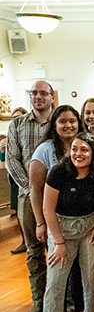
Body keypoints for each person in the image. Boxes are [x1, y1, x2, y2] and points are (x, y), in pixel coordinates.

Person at [38, 133, 94, 312]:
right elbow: (48, 209)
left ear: (93, 153)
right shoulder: (59, 172)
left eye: (84, 150)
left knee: (91, 278)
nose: (79, 154)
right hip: (61, 229)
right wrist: (58, 242)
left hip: (90, 226)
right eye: (75, 149)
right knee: (56, 282)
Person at [28, 105, 86, 312]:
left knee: (78, 269)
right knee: (58, 270)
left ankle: (79, 311)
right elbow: (35, 188)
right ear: (54, 125)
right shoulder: (44, 150)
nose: (68, 125)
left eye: (72, 121)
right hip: (54, 221)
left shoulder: (84, 147)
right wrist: (41, 223)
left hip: (80, 220)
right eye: (62, 121)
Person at [6, 81, 55, 312]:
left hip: (58, 196)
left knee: (57, 247)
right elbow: (13, 159)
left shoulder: (60, 121)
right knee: (34, 250)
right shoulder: (17, 124)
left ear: (52, 97)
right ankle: (39, 300)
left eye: (43, 93)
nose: (38, 97)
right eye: (34, 93)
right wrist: (30, 188)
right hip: (28, 196)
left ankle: (62, 300)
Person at [2, 106, 29, 255]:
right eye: (14, 118)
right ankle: (24, 241)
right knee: (19, 213)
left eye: (19, 118)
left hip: (27, 182)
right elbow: (4, 159)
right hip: (15, 182)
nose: (16, 121)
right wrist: (2, 151)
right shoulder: (9, 137)